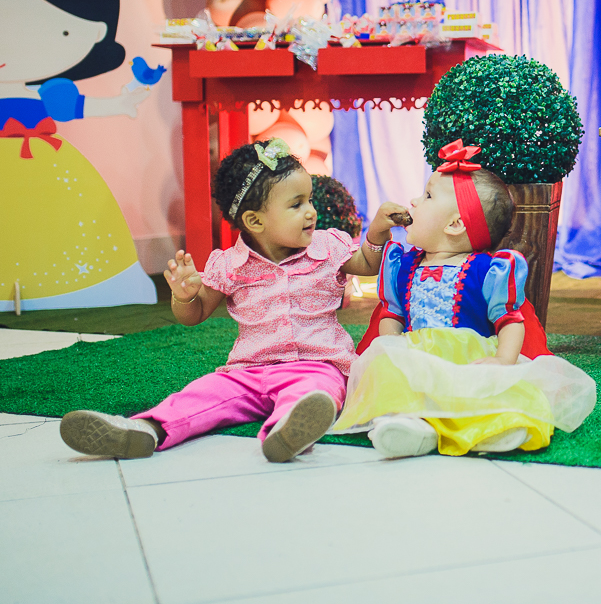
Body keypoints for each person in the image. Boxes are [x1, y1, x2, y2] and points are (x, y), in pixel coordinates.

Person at [59, 138, 408, 463]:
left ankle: (287, 431)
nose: (311, 212)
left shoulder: (326, 246)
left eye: (310, 200)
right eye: (296, 204)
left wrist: (377, 232)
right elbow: (194, 314)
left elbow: (367, 263)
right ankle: (145, 429)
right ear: (254, 221)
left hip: (316, 365)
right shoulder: (229, 264)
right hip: (247, 372)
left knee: (315, 391)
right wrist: (184, 297)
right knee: (202, 393)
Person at [330, 140, 597, 458]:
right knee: (392, 378)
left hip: (466, 358)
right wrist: (391, 350)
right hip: (415, 357)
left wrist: (503, 360)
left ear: (455, 224)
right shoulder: (402, 265)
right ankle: (410, 426)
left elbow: (510, 320)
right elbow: (393, 313)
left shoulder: (488, 270)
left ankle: (492, 427)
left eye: (428, 196)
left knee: (484, 391)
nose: (414, 201)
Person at [0, 0, 156, 310]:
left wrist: (120, 103)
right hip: (32, 161)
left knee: (48, 224)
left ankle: (69, 286)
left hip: (42, 164)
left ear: (94, 31)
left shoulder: (48, 93)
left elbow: (77, 105)